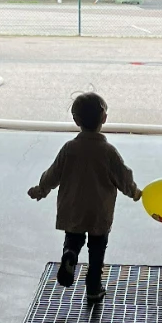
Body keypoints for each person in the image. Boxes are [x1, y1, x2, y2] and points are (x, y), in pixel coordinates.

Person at [28, 92, 141, 303]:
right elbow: (123, 176)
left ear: (76, 120)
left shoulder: (69, 148)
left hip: (73, 208)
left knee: (73, 238)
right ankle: (93, 288)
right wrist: (133, 191)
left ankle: (70, 253)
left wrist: (41, 189)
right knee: (97, 249)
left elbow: (53, 173)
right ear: (104, 118)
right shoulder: (108, 151)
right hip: (99, 211)